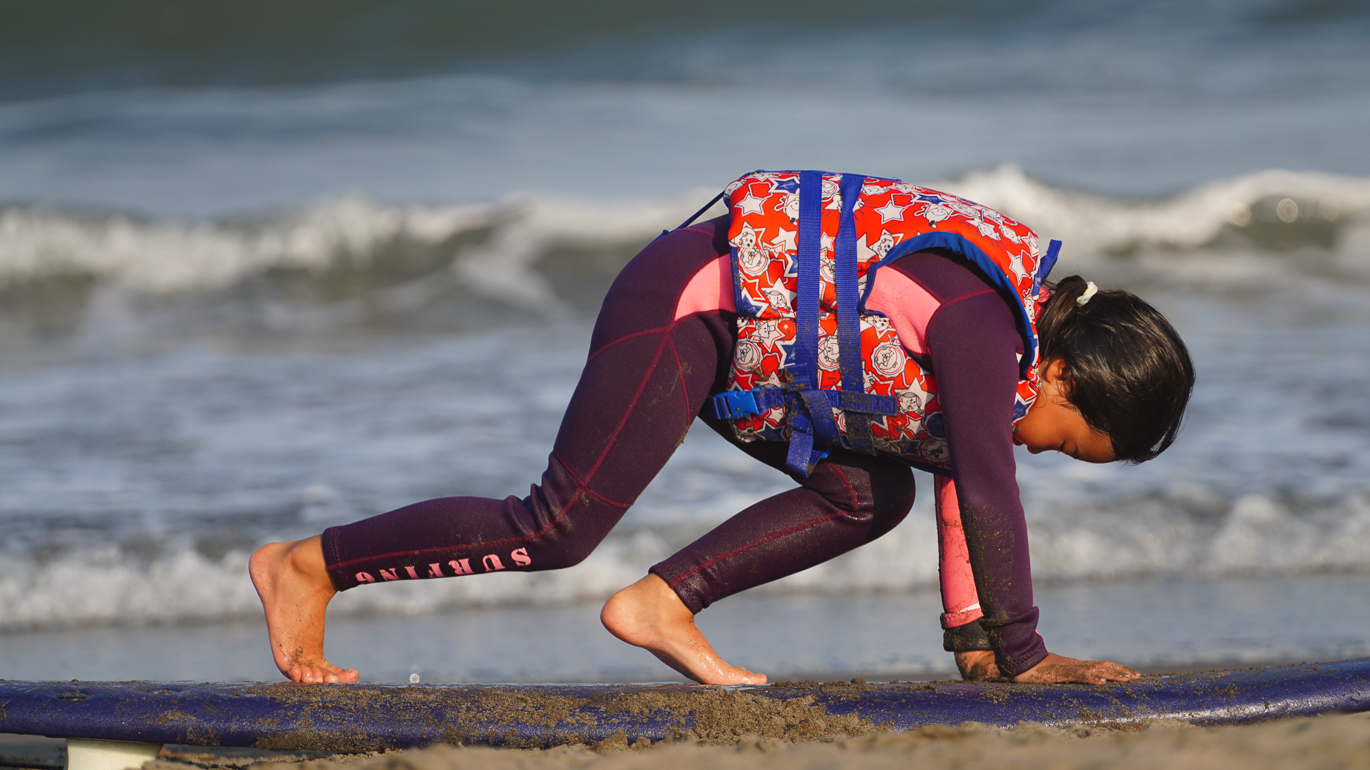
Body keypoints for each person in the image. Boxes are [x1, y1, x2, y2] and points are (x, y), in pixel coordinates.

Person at [250, 170, 1193, 686]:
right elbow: (988, 486)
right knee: (557, 527)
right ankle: (308, 565)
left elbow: (958, 482)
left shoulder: (1012, 350)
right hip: (689, 306)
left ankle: (661, 603)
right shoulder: (988, 326)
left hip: (753, 357)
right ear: (1065, 375)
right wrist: (1029, 657)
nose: (1043, 448)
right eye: (1070, 441)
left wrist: (979, 648)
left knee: (873, 492)